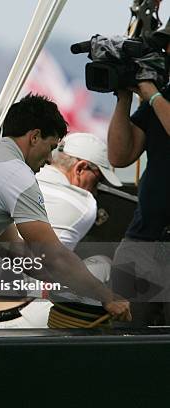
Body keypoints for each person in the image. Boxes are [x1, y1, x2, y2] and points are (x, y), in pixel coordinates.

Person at [0, 94, 131, 329]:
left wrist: (74, 284)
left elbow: (18, 253)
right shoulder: (18, 175)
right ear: (34, 137)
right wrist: (106, 296)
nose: (48, 160)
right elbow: (54, 256)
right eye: (51, 148)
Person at [0, 132, 124, 329]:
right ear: (80, 168)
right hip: (25, 319)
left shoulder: (10, 180)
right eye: (97, 180)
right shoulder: (85, 203)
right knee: (103, 265)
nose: (96, 190)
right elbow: (61, 265)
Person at [107, 21, 170, 327]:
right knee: (124, 342)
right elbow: (120, 155)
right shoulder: (164, 96)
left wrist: (153, 95)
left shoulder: (161, 99)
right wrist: (123, 98)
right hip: (143, 241)